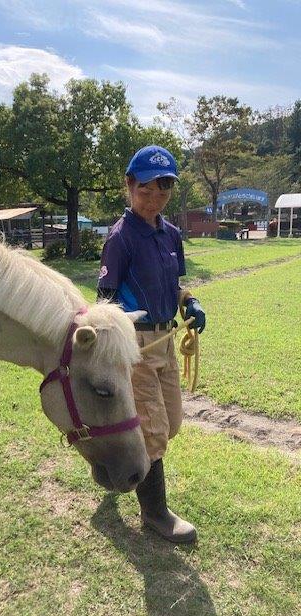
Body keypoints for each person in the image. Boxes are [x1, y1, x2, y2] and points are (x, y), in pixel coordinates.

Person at [97, 145, 206, 544]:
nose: (154, 198)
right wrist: (122, 334)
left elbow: (173, 285)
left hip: (167, 341)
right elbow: (104, 298)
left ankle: (109, 464)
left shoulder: (171, 235)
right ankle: (155, 514)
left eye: (163, 190)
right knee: (154, 430)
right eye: (146, 189)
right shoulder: (121, 238)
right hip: (136, 346)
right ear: (129, 185)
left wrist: (189, 302)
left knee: (172, 422)